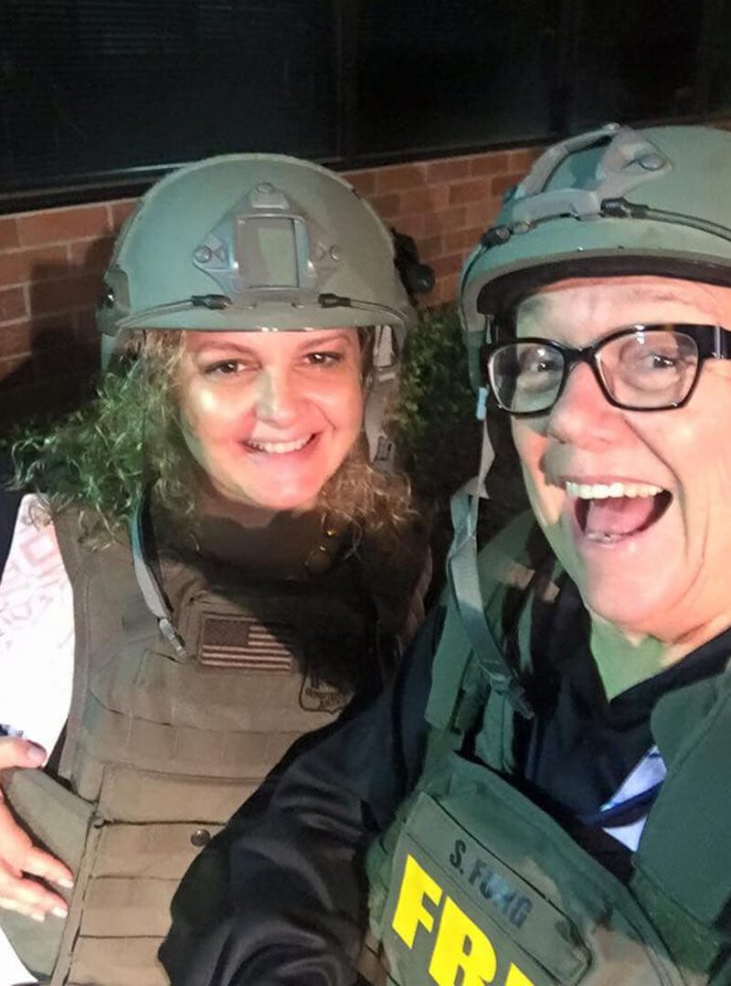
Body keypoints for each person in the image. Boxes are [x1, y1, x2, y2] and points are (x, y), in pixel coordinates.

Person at [166, 122, 731, 986]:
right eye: (541, 358)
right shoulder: (508, 612)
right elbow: (315, 819)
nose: (570, 419)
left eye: (658, 354)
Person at [0, 153, 432, 986]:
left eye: (320, 358)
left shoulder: (426, 582)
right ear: (159, 385)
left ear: (369, 375)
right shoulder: (33, 545)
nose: (282, 408)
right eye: (228, 364)